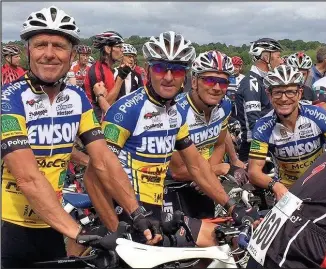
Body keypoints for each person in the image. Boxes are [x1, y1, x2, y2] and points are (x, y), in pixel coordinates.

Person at [1, 6, 161, 268]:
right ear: (28, 50)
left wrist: (137, 213)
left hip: (52, 223)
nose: (49, 54)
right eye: (41, 44)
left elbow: (103, 159)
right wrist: (79, 233)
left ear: (72, 53)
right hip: (10, 227)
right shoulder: (9, 99)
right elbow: (27, 177)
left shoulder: (76, 99)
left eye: (59, 46)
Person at [90, 31, 259, 247]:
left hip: (157, 207)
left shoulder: (174, 113)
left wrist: (231, 206)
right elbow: (93, 177)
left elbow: (197, 166)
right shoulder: (126, 111)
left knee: (221, 241)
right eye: (161, 68)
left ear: (186, 77)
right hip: (129, 211)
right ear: (149, 70)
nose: (169, 77)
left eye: (177, 70)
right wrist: (117, 232)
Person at [166, 50, 247, 219]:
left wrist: (209, 176)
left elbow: (219, 144)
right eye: (210, 80)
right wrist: (216, 170)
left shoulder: (224, 106)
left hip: (202, 179)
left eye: (223, 82)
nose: (217, 88)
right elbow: (178, 171)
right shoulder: (176, 112)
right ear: (194, 82)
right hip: (172, 185)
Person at [248, 65, 326, 202]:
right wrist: (276, 186)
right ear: (269, 95)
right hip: (288, 190)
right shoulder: (263, 126)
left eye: (290, 92)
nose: (284, 98)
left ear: (299, 93)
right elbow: (254, 172)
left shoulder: (317, 115)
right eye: (278, 92)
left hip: (318, 183)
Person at [247, 148, 326, 268]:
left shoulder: (321, 130)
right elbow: (253, 172)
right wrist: (275, 186)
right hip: (296, 235)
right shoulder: (263, 129)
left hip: (290, 211)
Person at [235, 38, 283, 162]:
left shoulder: (262, 80)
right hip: (254, 146)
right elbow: (254, 123)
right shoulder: (252, 82)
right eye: (278, 56)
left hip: (264, 142)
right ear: (266, 57)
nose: (281, 61)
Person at [84, 31, 131, 122]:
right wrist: (120, 78)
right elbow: (106, 103)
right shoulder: (98, 70)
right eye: (118, 47)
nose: (122, 50)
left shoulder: (107, 69)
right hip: (96, 120)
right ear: (108, 49)